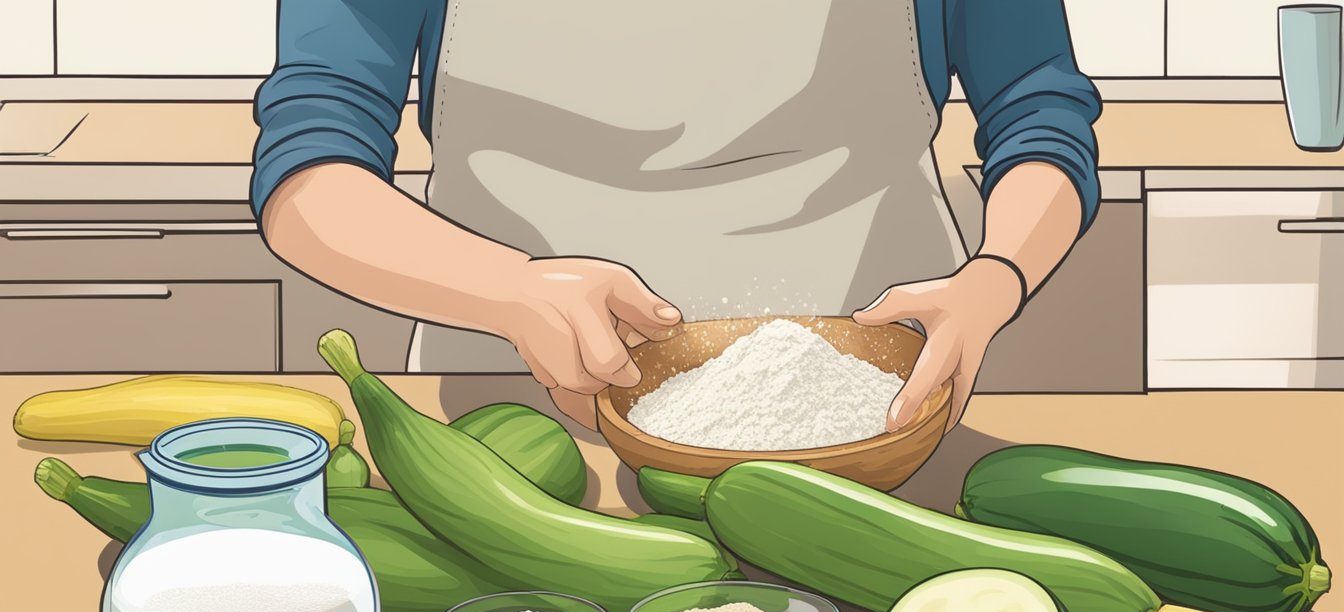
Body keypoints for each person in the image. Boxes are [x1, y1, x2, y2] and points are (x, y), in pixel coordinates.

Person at [252, 0, 1100, 432]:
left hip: (879, 419)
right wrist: (506, 289)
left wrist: (995, 279)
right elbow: (310, 172)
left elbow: (1038, 111)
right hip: (519, 423)